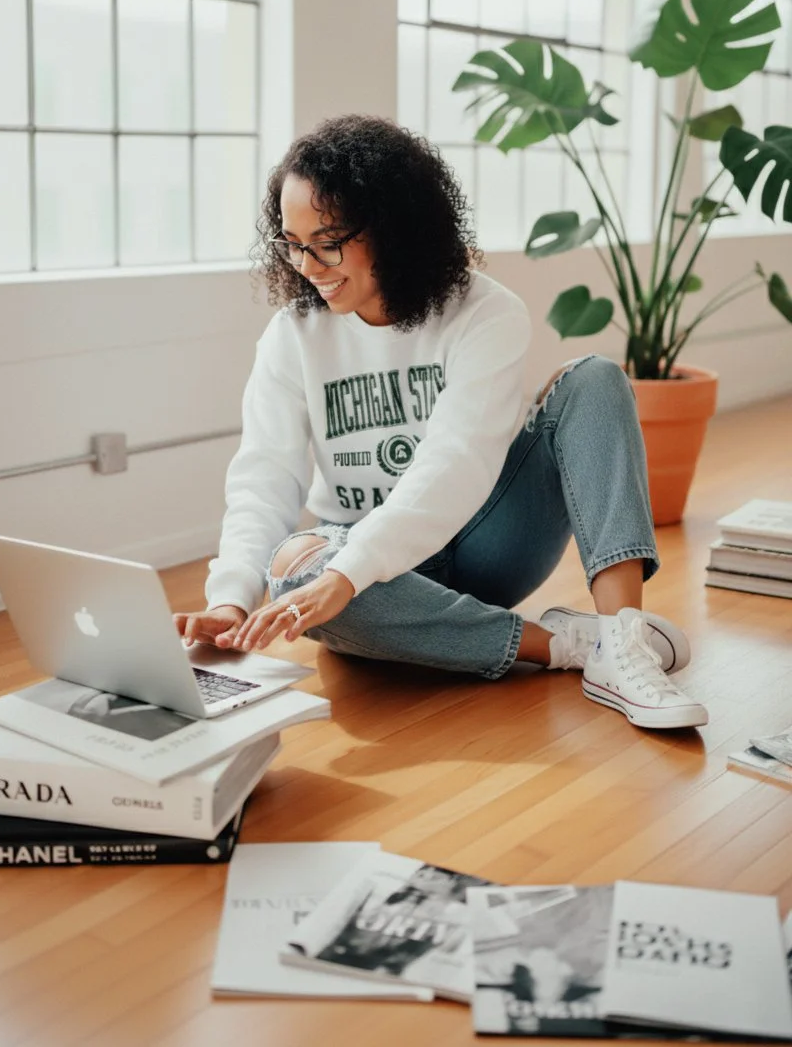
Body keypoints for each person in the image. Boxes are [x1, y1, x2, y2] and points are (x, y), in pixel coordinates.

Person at [174, 114, 707, 730]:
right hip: (380, 581)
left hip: (489, 539)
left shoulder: (485, 312)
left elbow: (458, 463)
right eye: (292, 243)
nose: (309, 264)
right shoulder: (292, 337)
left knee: (594, 378)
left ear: (394, 228)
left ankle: (624, 632)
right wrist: (230, 599)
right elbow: (264, 479)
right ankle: (575, 648)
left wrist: (347, 572)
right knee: (296, 567)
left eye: (328, 240)